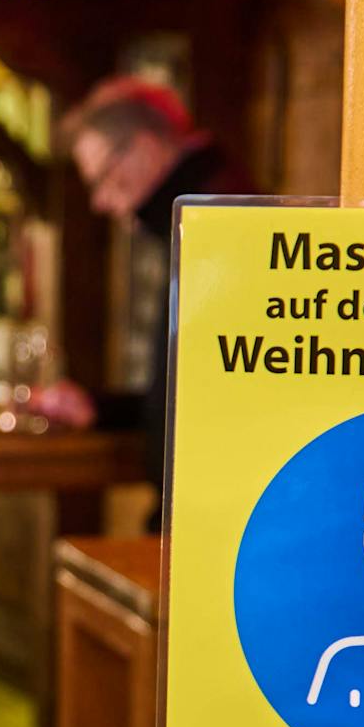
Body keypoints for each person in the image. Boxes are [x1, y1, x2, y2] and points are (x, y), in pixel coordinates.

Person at [32, 77, 254, 485]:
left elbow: (242, 397)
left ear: (144, 148)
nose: (99, 202)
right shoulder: (195, 216)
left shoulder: (219, 219)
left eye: (101, 177)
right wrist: (99, 409)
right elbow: (188, 389)